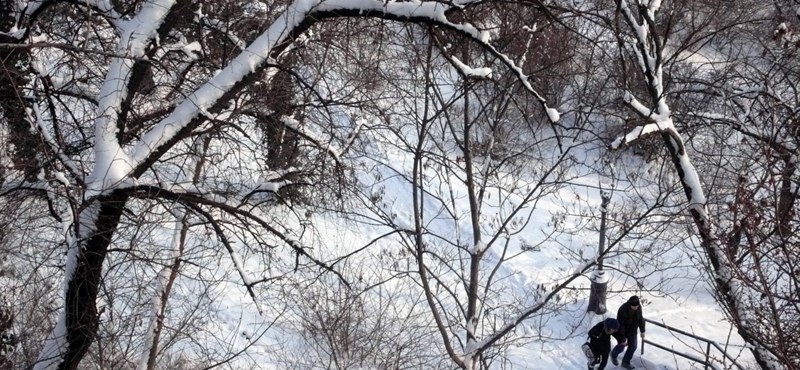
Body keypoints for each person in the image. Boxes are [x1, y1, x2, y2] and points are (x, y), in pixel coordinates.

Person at [612, 296, 646, 369]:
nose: (636, 308)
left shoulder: (638, 307)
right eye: (634, 306)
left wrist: (642, 330)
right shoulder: (622, 309)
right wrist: (623, 338)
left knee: (633, 346)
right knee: (621, 346)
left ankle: (625, 362)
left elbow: (640, 319)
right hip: (622, 331)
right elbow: (620, 325)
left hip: (633, 331)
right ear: (630, 304)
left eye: (637, 306)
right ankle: (613, 355)